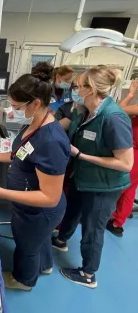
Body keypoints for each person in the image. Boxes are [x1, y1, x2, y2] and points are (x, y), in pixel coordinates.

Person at [0, 69, 70, 291]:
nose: (13, 111)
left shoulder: (50, 141)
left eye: (17, 107)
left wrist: (1, 192)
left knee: (27, 246)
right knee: (39, 241)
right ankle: (45, 265)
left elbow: (50, 197)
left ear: (36, 103)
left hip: (40, 210)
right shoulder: (33, 126)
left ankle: (23, 281)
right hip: (28, 206)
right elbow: (20, 155)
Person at [52, 66, 133, 288]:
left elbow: (126, 164)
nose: (73, 90)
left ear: (91, 89)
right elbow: (67, 128)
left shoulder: (113, 118)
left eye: (77, 86)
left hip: (103, 186)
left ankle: (88, 274)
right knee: (72, 211)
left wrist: (81, 155)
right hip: (82, 177)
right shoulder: (84, 110)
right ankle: (60, 240)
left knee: (92, 228)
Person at [107, 80, 138, 237]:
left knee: (121, 187)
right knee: (130, 189)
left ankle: (111, 219)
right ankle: (118, 222)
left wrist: (131, 94)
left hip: (134, 153)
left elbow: (117, 110)